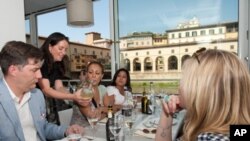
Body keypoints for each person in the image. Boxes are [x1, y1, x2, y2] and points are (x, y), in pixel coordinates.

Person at [155, 49, 250, 141]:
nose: (179, 87)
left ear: (202, 91)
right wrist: (167, 113)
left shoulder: (207, 138)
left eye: (184, 80)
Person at [0, 41, 84, 141]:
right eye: (34, 70)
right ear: (13, 70)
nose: (39, 76)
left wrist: (66, 131)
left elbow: (42, 128)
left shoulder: (36, 95)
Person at [37, 32, 87, 124]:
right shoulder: (41, 62)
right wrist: (73, 97)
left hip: (49, 104)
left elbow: (59, 87)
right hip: (36, 102)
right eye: (60, 48)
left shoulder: (57, 64)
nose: (64, 52)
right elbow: (46, 90)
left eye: (65, 49)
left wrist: (75, 96)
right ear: (50, 47)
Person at [71, 61, 108, 126]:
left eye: (97, 73)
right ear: (87, 74)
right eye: (90, 72)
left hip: (94, 129)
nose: (93, 76)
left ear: (101, 76)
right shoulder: (82, 91)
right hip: (78, 131)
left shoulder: (101, 89)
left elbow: (110, 107)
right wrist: (106, 113)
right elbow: (92, 118)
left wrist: (101, 109)